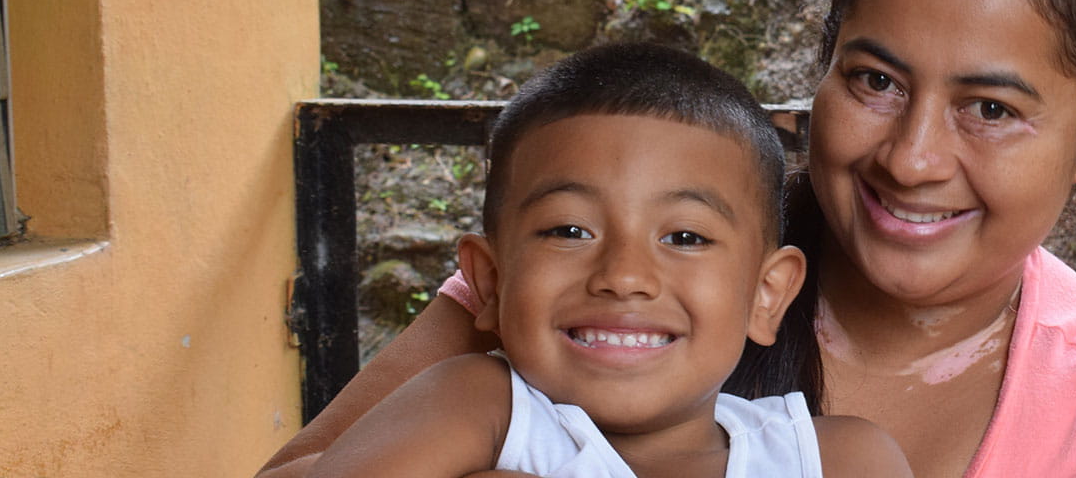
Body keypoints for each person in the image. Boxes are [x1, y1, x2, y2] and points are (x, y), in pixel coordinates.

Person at [261, 0, 1076, 476]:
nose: (912, 158)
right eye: (874, 79)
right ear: (820, 69)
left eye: (991, 110)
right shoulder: (612, 287)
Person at [303, 43, 911, 478]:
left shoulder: (838, 460)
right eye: (570, 229)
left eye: (685, 237)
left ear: (767, 294)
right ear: (488, 280)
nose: (623, 277)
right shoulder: (480, 408)